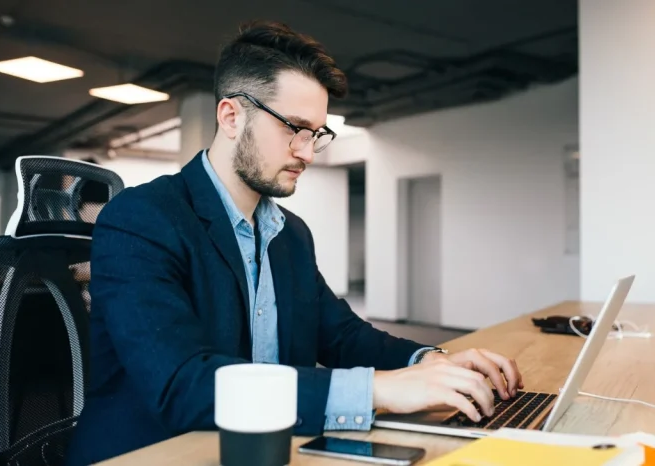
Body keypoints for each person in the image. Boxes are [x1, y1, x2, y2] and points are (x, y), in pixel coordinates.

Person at [65, 20, 523, 465]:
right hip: (157, 452)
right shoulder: (143, 218)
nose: (306, 151)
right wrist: (380, 389)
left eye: (317, 134)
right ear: (231, 116)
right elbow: (181, 385)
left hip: (269, 448)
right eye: (293, 127)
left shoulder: (290, 232)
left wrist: (433, 361)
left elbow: (341, 334)